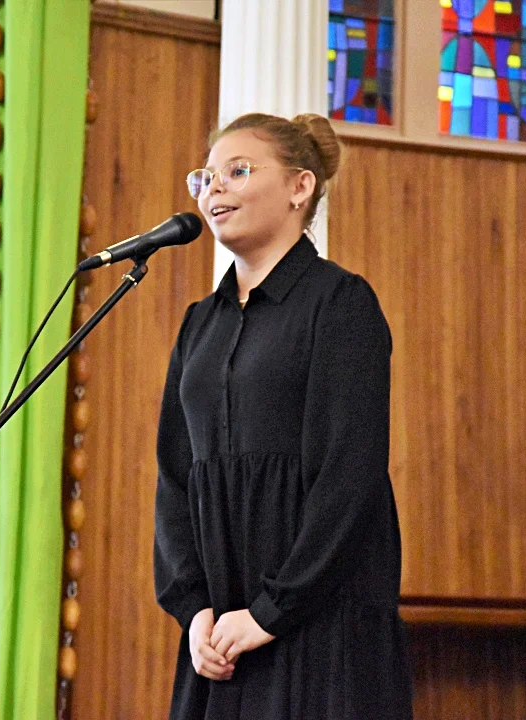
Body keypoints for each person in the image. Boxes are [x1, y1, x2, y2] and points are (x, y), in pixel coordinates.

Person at [153, 112, 413, 719]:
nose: (214, 188)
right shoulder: (200, 323)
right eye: (206, 177)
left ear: (301, 187)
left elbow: (350, 474)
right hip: (220, 637)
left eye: (237, 171)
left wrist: (272, 611)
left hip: (319, 623)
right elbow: (176, 475)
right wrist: (194, 610)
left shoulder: (341, 303)